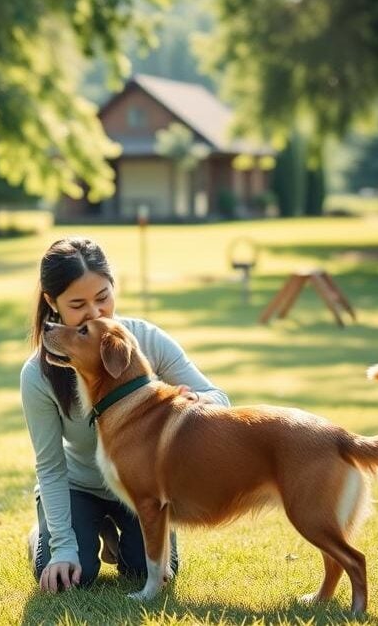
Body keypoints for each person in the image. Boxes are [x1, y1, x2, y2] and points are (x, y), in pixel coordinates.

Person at [20, 237, 230, 594]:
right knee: (75, 575)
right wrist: (62, 548)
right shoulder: (38, 373)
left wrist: (192, 401)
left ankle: (115, 535)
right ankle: (42, 535)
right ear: (52, 303)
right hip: (79, 487)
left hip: (141, 490)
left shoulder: (144, 339)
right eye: (77, 304)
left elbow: (219, 399)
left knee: (141, 570)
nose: (96, 313)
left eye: (103, 297)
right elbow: (51, 467)